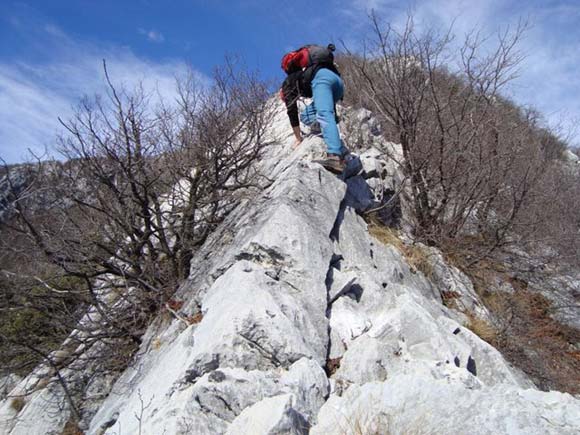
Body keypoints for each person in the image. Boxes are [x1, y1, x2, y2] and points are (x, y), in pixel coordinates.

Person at [280, 44, 347, 173]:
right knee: (306, 116)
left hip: (322, 79)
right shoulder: (304, 72)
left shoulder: (288, 85)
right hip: (337, 82)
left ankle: (334, 156)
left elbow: (291, 111)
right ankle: (330, 127)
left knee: (323, 114)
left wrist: (298, 138)